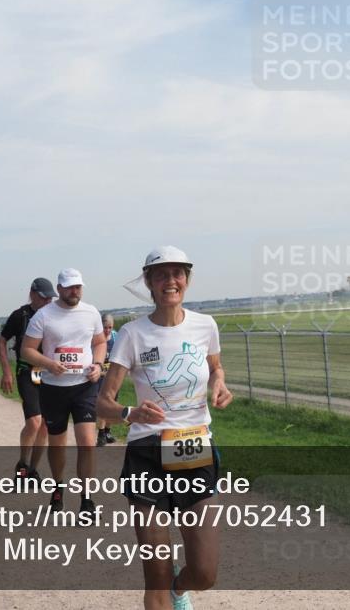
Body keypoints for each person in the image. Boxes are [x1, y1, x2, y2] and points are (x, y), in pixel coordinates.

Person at [97, 246, 233, 610]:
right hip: (147, 455)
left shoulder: (205, 326)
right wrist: (131, 413)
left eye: (177, 273)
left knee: (204, 573)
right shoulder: (132, 334)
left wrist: (219, 383)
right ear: (149, 282)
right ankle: (163, 588)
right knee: (154, 574)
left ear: (187, 279)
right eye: (160, 275)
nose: (170, 281)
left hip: (195, 452)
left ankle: (179, 587)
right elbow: (103, 404)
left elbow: (215, 367)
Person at [21, 268, 105, 515]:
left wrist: (98, 365)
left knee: (87, 442)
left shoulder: (91, 312)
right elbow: (27, 350)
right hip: (54, 389)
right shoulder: (44, 315)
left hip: (84, 386)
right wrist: (49, 364)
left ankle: (86, 499)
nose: (74, 291)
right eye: (69, 287)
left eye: (78, 287)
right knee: (57, 444)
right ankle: (58, 487)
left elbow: (100, 342)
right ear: (59, 289)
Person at [0, 277, 58, 479]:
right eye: (44, 298)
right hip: (26, 372)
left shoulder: (55, 315)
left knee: (45, 425)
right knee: (34, 422)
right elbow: (1, 341)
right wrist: (6, 371)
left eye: (50, 298)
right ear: (32, 294)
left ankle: (33, 469)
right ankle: (22, 464)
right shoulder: (20, 315)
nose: (48, 302)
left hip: (49, 374)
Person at [96, 313, 119, 446]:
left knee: (113, 404)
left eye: (110, 327)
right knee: (102, 405)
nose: (107, 330)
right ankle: (101, 433)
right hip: (100, 377)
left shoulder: (116, 337)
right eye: (105, 327)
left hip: (113, 377)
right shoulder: (96, 337)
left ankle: (108, 431)